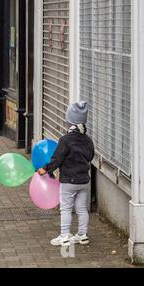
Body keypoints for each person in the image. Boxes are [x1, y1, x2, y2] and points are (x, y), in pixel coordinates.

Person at [38, 101, 95, 247]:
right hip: (84, 181)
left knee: (66, 208)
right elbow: (90, 157)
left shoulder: (65, 140)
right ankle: (82, 235)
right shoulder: (88, 140)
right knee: (82, 209)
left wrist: (46, 169)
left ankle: (64, 236)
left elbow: (57, 159)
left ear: (70, 122)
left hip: (69, 181)